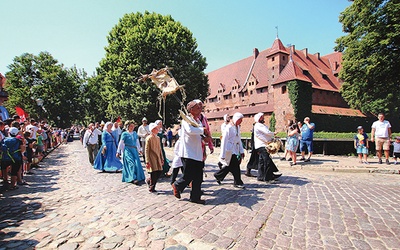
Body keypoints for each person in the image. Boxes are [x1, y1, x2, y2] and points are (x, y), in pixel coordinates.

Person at [171, 100, 210, 204]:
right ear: (191, 109)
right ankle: (177, 185)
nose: (200, 109)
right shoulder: (186, 120)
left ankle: (195, 197)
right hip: (188, 152)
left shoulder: (198, 121)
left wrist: (205, 138)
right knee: (188, 175)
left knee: (198, 177)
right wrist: (203, 130)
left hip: (197, 152)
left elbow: (200, 134)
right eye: (198, 108)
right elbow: (190, 131)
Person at [214, 112, 245, 188]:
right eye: (240, 120)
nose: (241, 122)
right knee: (235, 166)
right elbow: (224, 140)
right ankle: (237, 182)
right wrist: (223, 154)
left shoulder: (237, 127)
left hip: (235, 149)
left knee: (230, 166)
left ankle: (218, 176)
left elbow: (238, 139)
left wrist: (241, 151)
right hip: (229, 149)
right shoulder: (229, 127)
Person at [253, 112, 282, 182]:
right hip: (262, 146)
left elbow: (265, 135)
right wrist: (273, 133)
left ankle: (261, 176)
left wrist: (272, 138)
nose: (263, 118)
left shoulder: (260, 125)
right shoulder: (258, 125)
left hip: (261, 145)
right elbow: (267, 132)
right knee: (267, 161)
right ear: (259, 118)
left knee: (262, 162)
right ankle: (268, 178)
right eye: (262, 117)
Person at [117, 120, 145, 184]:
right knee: (131, 163)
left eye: (133, 126)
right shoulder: (124, 134)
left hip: (134, 150)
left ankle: (138, 176)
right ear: (127, 126)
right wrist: (118, 151)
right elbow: (121, 143)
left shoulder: (135, 133)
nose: (132, 127)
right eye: (131, 126)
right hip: (127, 150)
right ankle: (132, 178)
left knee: (136, 163)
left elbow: (137, 142)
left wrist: (139, 150)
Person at [145, 123, 164, 193]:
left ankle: (149, 181)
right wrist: (147, 160)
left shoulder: (158, 138)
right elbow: (146, 150)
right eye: (156, 128)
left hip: (157, 157)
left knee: (159, 171)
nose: (158, 129)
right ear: (152, 129)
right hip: (152, 157)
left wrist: (162, 157)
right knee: (154, 172)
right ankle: (152, 187)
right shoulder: (149, 138)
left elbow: (159, 149)